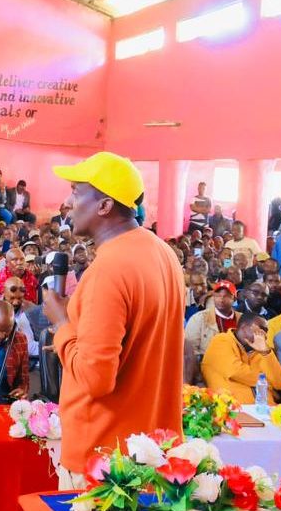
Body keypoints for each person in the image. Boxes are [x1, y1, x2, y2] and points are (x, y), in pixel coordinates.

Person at [43, 152, 184, 490]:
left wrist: (62, 323)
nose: (66, 202)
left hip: (103, 464)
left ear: (104, 206)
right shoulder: (162, 252)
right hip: (148, 452)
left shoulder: (109, 269)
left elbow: (96, 380)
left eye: (76, 192)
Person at [201, 313, 281, 404]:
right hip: (232, 410)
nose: (264, 335)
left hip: (266, 410)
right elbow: (234, 371)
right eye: (261, 329)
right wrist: (267, 384)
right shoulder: (221, 340)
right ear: (244, 327)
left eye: (266, 331)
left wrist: (266, 352)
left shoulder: (261, 351)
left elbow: (280, 383)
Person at [184, 282, 241, 385]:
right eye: (218, 295)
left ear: (234, 299)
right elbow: (192, 351)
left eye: (226, 296)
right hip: (209, 368)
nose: (221, 299)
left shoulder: (242, 320)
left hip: (237, 369)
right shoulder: (200, 318)